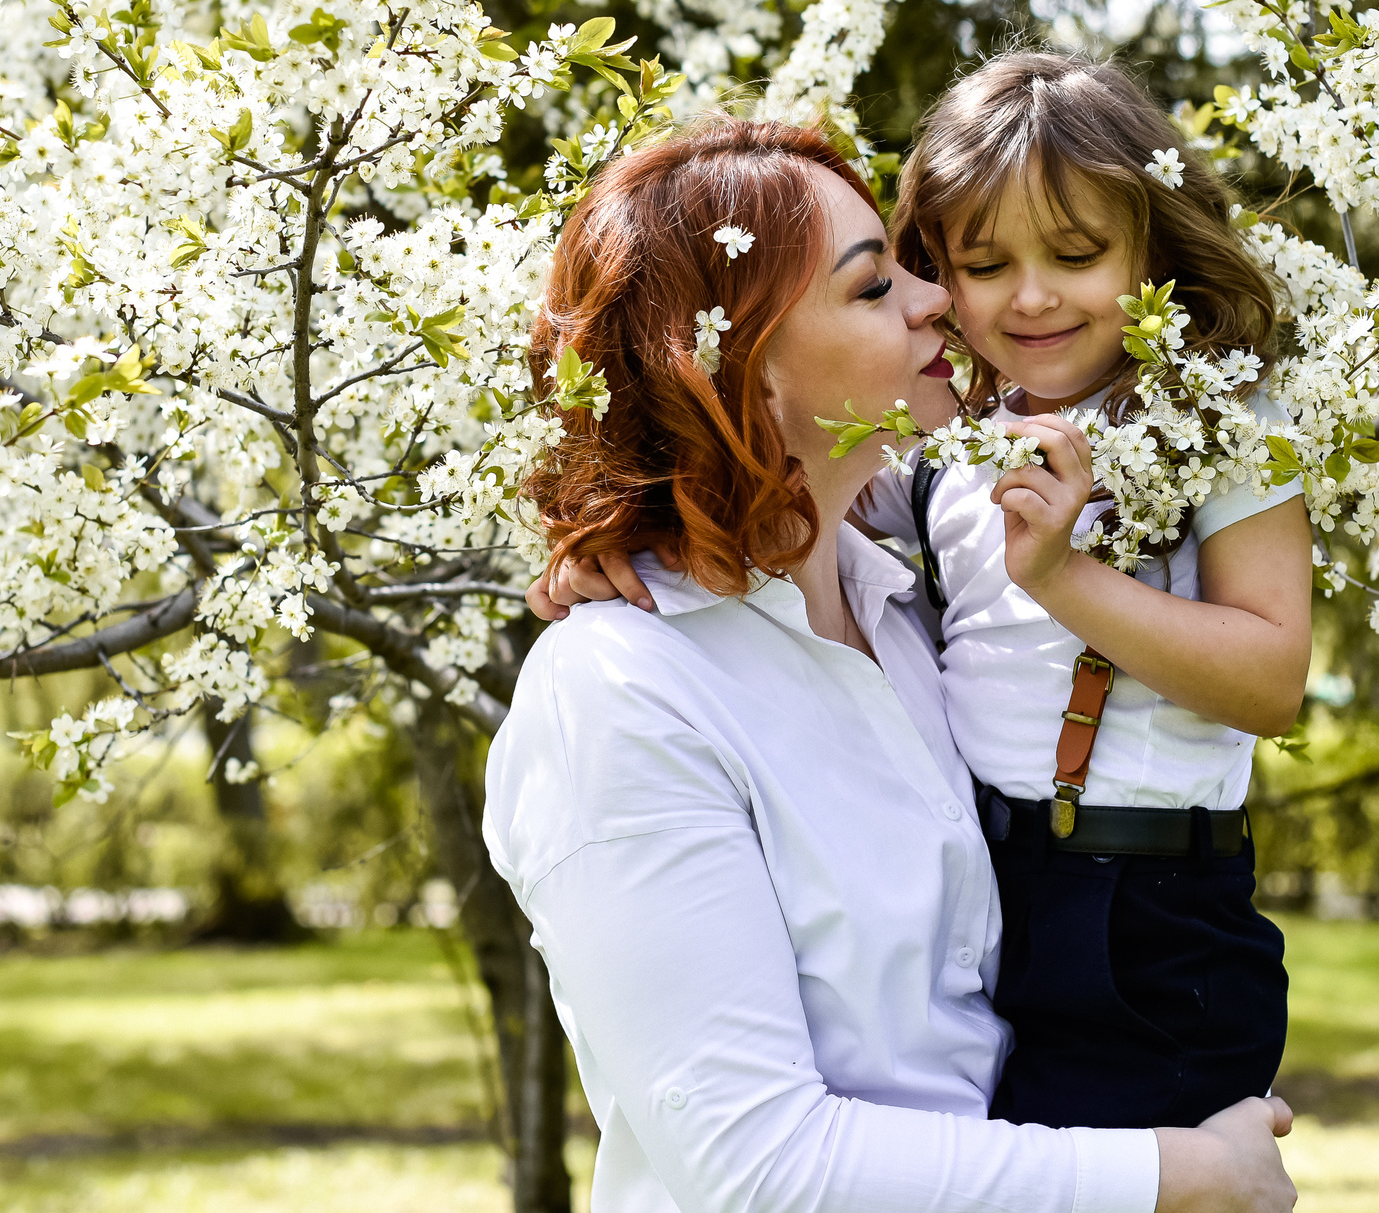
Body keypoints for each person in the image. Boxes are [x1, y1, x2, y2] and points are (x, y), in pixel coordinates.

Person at [486, 115, 1297, 1213]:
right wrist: (1178, 1175)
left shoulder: (903, 617)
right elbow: (757, 1169)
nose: (935, 299)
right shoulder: (622, 694)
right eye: (875, 287)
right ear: (745, 369)